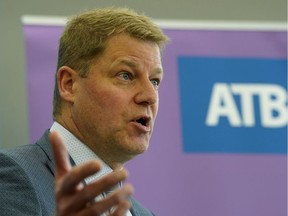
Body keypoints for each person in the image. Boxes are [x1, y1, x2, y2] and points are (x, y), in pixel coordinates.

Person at [0, 7, 168, 216]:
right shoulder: (14, 176)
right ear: (69, 84)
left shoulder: (143, 214)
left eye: (155, 81)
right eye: (126, 75)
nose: (150, 96)